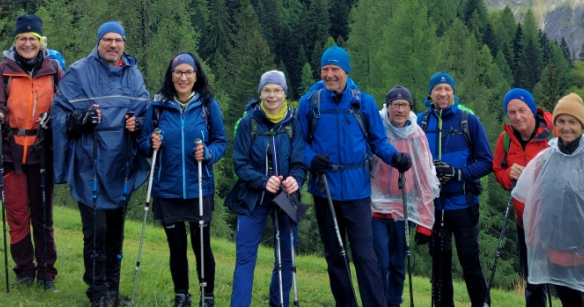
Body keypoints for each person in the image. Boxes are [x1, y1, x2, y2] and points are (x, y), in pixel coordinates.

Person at [298, 46, 412, 307]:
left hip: (357, 191)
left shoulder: (365, 102)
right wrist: (310, 159)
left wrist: (395, 157)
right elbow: (300, 143)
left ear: (346, 71)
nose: (329, 74)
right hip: (324, 190)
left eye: (334, 69)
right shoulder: (310, 103)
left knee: (365, 255)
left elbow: (378, 141)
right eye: (325, 69)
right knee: (335, 254)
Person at [51, 21, 150, 307]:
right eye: (107, 39)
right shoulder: (79, 72)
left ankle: (113, 290)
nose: (113, 45)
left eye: (118, 40)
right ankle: (97, 292)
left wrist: (138, 124)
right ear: (98, 42)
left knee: (116, 234)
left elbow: (145, 116)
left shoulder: (133, 75)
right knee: (96, 232)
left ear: (124, 43)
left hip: (121, 166)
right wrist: (80, 120)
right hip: (89, 167)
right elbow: (60, 117)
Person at [511, 94, 584, 307]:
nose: (566, 127)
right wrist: (537, 244)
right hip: (557, 250)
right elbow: (537, 205)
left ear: (581, 125)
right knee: (569, 302)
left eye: (572, 122)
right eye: (561, 121)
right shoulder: (545, 160)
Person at [139, 52, 227, 307]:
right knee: (176, 246)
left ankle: (207, 297)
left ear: (196, 76)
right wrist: (150, 144)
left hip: (199, 186)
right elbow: (143, 144)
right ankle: (182, 296)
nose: (183, 77)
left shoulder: (208, 105)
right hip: (167, 187)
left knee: (202, 245)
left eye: (188, 72)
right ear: (171, 75)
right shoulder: (157, 107)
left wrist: (208, 153)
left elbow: (220, 141)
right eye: (178, 72)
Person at [0, 14, 63, 290]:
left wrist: (53, 118)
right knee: (17, 215)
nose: (28, 43)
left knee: (43, 218)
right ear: (16, 42)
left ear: (41, 41)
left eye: (33, 38)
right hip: (11, 156)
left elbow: (65, 105)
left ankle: (46, 273)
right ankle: (24, 271)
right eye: (22, 38)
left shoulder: (53, 69)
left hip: (43, 154)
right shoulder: (3, 70)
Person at [227, 70, 306, 307]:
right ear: (260, 93)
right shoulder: (248, 123)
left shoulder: (294, 123)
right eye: (267, 90)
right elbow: (240, 164)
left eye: (277, 90)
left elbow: (300, 164)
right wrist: (263, 181)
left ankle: (278, 303)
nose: (272, 95)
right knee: (245, 258)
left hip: (286, 197)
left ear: (284, 93)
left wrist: (296, 180)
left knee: (285, 258)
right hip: (252, 197)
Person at [417, 72, 494, 307]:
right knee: (440, 265)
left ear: (453, 93)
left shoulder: (467, 121)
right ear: (430, 93)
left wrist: (458, 173)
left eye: (447, 89)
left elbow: (486, 161)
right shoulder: (421, 123)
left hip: (463, 204)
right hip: (434, 207)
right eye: (438, 89)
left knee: (470, 262)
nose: (442, 93)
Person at [370, 86, 437, 307]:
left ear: (411, 108)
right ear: (387, 106)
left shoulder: (417, 135)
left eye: (405, 105)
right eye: (395, 105)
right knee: (380, 261)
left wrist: (426, 223)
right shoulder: (376, 129)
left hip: (403, 208)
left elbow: (426, 177)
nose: (400, 109)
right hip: (375, 208)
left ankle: (393, 303)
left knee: (398, 263)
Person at [492, 88, 554, 307]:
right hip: (524, 220)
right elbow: (498, 171)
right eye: (512, 112)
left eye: (522, 110)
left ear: (532, 109)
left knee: (564, 278)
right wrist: (508, 174)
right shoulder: (505, 140)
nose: (517, 116)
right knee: (533, 277)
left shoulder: (552, 135)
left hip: (554, 219)